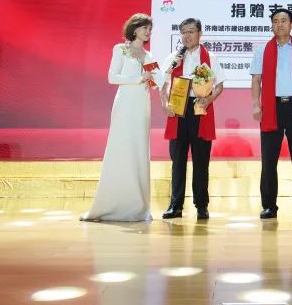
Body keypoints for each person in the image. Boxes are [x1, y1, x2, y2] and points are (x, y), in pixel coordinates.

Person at [81, 13, 164, 222]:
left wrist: (163, 75)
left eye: (150, 29)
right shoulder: (121, 49)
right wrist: (139, 78)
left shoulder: (149, 55)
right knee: (121, 147)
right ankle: (112, 204)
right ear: (134, 29)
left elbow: (156, 83)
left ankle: (138, 205)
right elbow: (112, 77)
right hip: (125, 104)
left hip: (142, 105)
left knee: (138, 149)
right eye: (145, 28)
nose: (148, 32)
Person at [251, 7, 292, 219]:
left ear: (291, 24)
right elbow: (256, 80)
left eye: (283, 20)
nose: (279, 24)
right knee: (269, 161)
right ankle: (269, 206)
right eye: (275, 21)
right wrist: (256, 105)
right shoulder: (263, 50)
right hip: (271, 108)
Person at [159, 18, 224, 220]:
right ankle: (175, 205)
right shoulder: (174, 57)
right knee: (177, 160)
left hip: (199, 108)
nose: (187, 36)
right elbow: (163, 84)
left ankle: (201, 205)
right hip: (178, 109)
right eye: (184, 32)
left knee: (201, 161)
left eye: (191, 31)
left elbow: (219, 86)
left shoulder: (209, 57)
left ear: (200, 33)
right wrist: (165, 104)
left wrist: (209, 99)